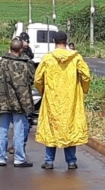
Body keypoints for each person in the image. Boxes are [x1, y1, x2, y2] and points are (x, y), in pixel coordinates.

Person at [34, 31, 91, 169]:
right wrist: (83, 90)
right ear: (66, 41)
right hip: (71, 98)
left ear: (54, 40)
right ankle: (71, 161)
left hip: (52, 98)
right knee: (70, 126)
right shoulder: (76, 57)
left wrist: (43, 90)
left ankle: (49, 161)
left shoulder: (48, 58)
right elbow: (86, 76)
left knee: (50, 126)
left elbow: (37, 78)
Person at [0, 38, 35, 167]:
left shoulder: (0, 63)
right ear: (21, 49)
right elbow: (31, 80)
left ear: (10, 48)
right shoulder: (26, 64)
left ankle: (1, 158)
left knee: (3, 129)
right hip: (20, 102)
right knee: (19, 129)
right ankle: (19, 158)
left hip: (2, 101)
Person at [7, 35, 36, 155]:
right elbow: (32, 78)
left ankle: (15, 150)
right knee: (21, 124)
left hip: (15, 96)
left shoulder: (25, 57)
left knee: (19, 124)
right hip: (22, 96)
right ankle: (19, 151)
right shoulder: (24, 59)